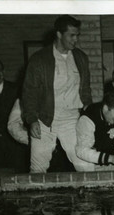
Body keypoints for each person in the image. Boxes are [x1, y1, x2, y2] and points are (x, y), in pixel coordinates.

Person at [22, 14, 93, 173]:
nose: (76, 39)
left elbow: (86, 89)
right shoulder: (39, 59)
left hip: (72, 118)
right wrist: (32, 119)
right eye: (71, 35)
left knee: (85, 164)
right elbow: (29, 92)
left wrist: (88, 114)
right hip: (45, 119)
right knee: (38, 169)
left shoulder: (81, 57)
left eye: (77, 35)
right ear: (59, 34)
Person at [75, 90, 114, 171]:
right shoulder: (87, 119)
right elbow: (82, 151)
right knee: (85, 166)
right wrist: (111, 158)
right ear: (106, 108)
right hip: (96, 165)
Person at [0, 59, 26, 171]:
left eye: (0, 70)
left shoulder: (15, 89)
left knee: (14, 171)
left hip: (11, 141)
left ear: (4, 71)